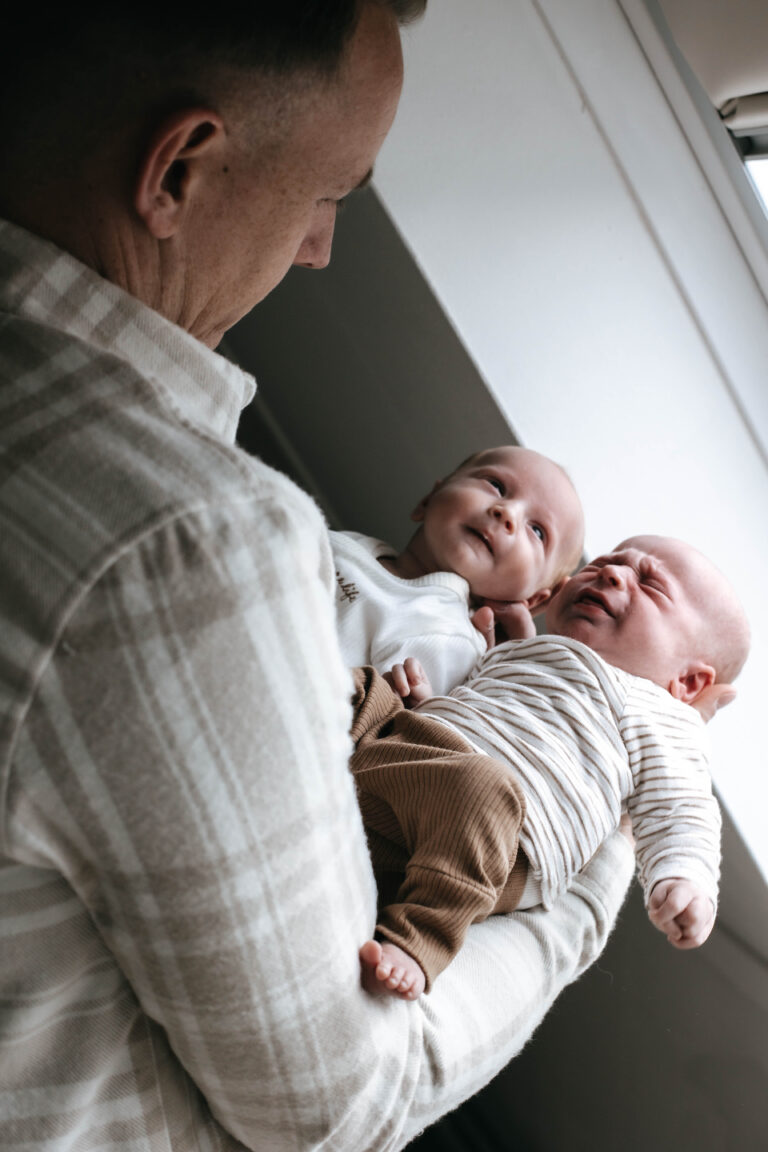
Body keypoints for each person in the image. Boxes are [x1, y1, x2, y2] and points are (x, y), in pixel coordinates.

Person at [0, 5, 637, 1150]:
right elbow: (338, 1106)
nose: (320, 248)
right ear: (178, 169)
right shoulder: (189, 549)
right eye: (330, 193)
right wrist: (587, 893)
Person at [353, 535, 750, 1001]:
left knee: (483, 787)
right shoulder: (520, 652)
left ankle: (421, 940)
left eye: (649, 585)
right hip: (412, 768)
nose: (611, 573)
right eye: (605, 561)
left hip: (504, 837)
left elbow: (682, 806)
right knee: (363, 687)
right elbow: (484, 715)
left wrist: (686, 879)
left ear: (687, 681)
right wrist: (425, 706)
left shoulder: (660, 714)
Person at [332, 443, 585, 696]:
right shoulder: (353, 544)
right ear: (428, 499)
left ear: (531, 599)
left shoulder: (453, 639)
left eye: (537, 531)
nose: (507, 512)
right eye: (496, 486)